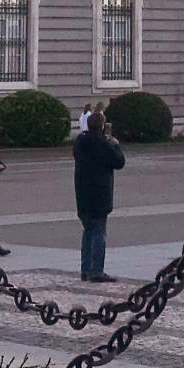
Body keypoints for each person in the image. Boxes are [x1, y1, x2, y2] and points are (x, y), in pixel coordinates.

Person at [73, 109, 125, 283]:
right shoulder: (104, 144)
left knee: (88, 231)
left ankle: (85, 269)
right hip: (100, 195)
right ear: (102, 126)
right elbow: (119, 162)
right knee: (99, 233)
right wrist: (115, 144)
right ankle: (97, 271)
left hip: (83, 194)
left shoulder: (80, 142)